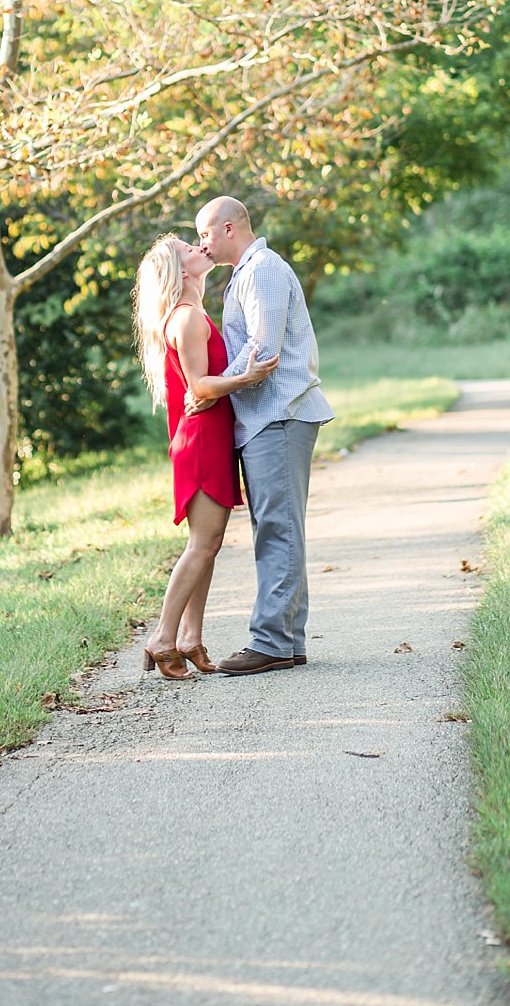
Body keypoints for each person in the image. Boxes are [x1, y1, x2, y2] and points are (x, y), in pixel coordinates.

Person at [193, 195, 335, 676]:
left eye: (205, 234)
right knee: (277, 525)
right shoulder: (245, 274)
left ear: (229, 228)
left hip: (280, 412)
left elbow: (262, 347)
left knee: (277, 527)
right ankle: (287, 640)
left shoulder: (262, 270)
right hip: (263, 416)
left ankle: (271, 641)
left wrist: (214, 390)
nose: (202, 244)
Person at [131, 235, 277, 679]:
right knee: (203, 545)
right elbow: (200, 386)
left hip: (206, 436)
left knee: (207, 546)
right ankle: (162, 637)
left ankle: (190, 636)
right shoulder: (188, 318)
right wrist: (245, 378)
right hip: (199, 441)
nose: (201, 247)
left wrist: (221, 387)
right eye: (188, 248)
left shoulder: (190, 314)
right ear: (181, 269)